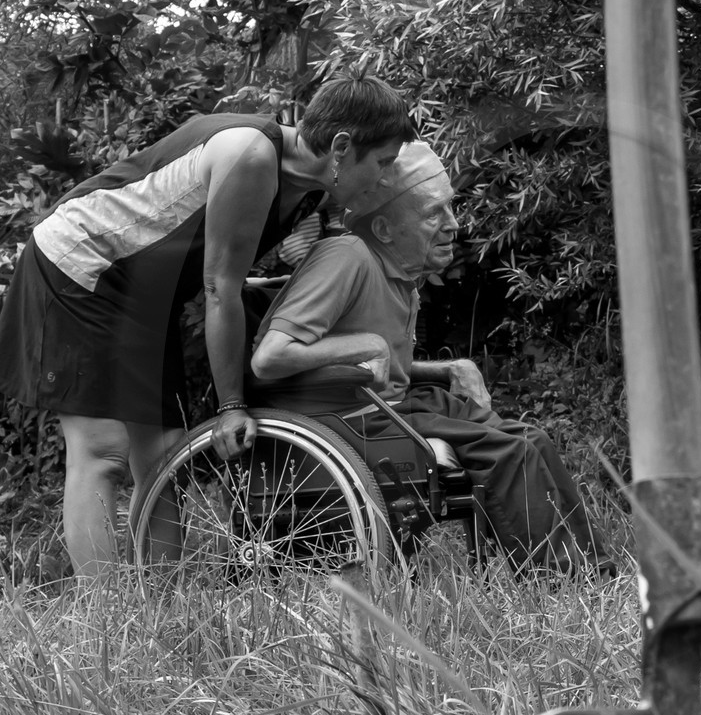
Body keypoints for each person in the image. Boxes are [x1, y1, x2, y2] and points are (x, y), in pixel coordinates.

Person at [0, 75, 411, 576]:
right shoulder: (250, 154)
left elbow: (231, 275)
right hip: (82, 265)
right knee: (102, 450)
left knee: (165, 458)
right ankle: (104, 614)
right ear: (341, 147)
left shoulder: (308, 193)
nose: (385, 178)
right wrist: (231, 406)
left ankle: (158, 606)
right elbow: (219, 289)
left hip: (146, 293)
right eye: (383, 162)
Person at [250, 142, 606, 568]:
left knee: (533, 440)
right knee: (510, 452)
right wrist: (369, 345)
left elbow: (384, 367)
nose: (454, 225)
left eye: (449, 208)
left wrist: (451, 367)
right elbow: (270, 357)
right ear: (384, 228)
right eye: (434, 213)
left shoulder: (398, 274)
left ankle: (591, 571)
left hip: (390, 404)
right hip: (345, 416)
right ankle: (559, 578)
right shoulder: (345, 257)